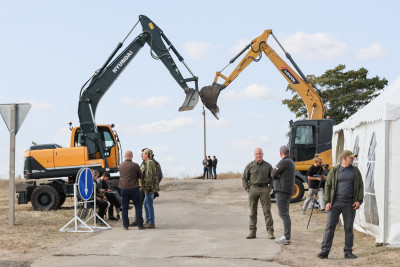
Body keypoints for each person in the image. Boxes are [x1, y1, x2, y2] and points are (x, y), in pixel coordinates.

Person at [317, 150, 364, 259]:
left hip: (350, 204)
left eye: (353, 157)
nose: (353, 159)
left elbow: (361, 186)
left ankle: (348, 252)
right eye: (351, 157)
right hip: (335, 203)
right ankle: (324, 251)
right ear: (344, 158)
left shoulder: (355, 171)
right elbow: (327, 186)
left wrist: (359, 200)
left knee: (348, 228)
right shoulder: (334, 170)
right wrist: (327, 202)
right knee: (330, 227)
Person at [242, 147, 274, 239]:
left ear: (263, 154)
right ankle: (252, 232)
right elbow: (244, 178)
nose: (258, 155)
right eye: (257, 154)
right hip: (253, 189)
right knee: (252, 212)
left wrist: (270, 188)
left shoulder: (268, 166)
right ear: (254, 155)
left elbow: (272, 178)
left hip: (264, 189)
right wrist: (248, 189)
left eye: (260, 153)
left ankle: (270, 232)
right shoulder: (249, 166)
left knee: (267, 212)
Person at [272, 145, 295, 245]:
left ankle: (286, 236)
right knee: (285, 213)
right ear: (288, 152)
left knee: (283, 214)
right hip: (287, 190)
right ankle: (286, 235)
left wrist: (277, 174)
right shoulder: (290, 161)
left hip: (282, 191)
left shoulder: (284, 162)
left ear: (281, 153)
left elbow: (273, 173)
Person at [118, 150, 144, 230]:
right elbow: (140, 175)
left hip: (124, 188)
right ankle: (140, 225)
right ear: (132, 156)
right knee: (138, 206)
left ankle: (125, 225)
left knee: (125, 207)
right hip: (134, 188)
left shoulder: (120, 165)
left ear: (125, 156)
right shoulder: (135, 165)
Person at [142, 148, 160, 229]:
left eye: (143, 154)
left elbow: (149, 176)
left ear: (147, 155)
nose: (142, 155)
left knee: (149, 204)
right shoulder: (149, 162)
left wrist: (149, 188)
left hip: (149, 188)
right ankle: (147, 220)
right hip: (149, 187)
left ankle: (151, 222)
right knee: (146, 203)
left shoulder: (149, 163)